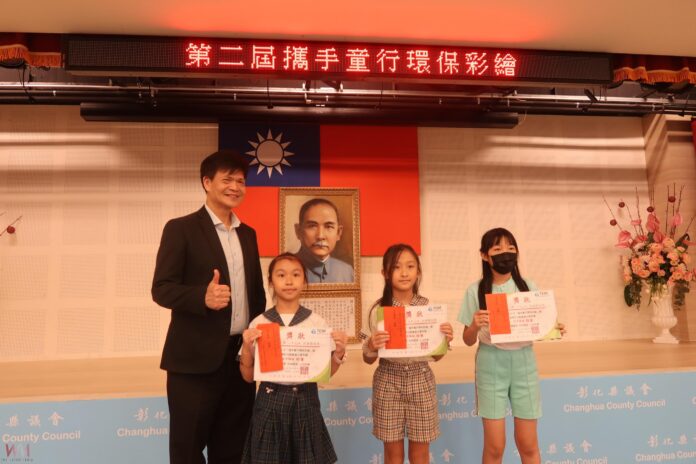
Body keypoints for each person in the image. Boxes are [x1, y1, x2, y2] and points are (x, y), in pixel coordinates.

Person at [151, 149, 266, 464]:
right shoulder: (181, 228)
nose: (235, 187)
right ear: (206, 182)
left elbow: (256, 296)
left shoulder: (248, 235)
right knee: (187, 450)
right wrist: (201, 297)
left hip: (240, 360)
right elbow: (161, 289)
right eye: (227, 179)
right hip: (194, 363)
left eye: (241, 181)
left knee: (233, 450)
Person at [458, 227, 565, 464]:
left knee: (528, 444)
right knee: (495, 447)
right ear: (484, 255)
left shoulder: (528, 286)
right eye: (497, 248)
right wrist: (474, 325)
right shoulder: (475, 290)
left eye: (511, 247)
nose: (505, 253)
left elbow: (542, 325)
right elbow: (467, 339)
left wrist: (555, 328)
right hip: (490, 363)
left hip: (524, 363)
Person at [238, 252, 348, 464]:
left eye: (296, 275)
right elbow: (247, 376)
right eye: (281, 275)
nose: (289, 281)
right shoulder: (259, 323)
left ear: (304, 280)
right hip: (269, 403)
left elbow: (325, 372)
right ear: (271, 281)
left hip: (306, 402)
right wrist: (246, 347)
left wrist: (338, 354)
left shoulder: (316, 322)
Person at [361, 244, 454, 464]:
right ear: (385, 273)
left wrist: (444, 341)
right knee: (393, 455)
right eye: (396, 267)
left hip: (421, 378)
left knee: (420, 454)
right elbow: (368, 359)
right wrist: (372, 345)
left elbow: (436, 357)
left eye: (410, 266)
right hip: (388, 379)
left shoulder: (428, 308)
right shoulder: (378, 310)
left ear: (418, 271)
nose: (404, 273)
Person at [294, 197, 354, 283]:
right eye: (312, 226)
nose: (320, 236)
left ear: (338, 233)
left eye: (329, 227)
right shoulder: (286, 269)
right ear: (298, 231)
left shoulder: (347, 271)